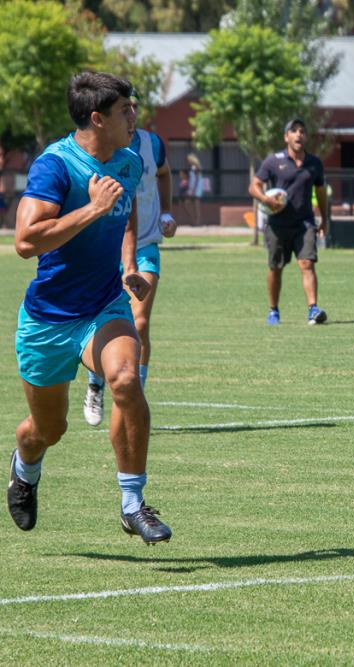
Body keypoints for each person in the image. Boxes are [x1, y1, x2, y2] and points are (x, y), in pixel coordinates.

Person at [10, 71, 171, 544]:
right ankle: (25, 467)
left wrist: (129, 264)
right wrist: (93, 209)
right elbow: (25, 241)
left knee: (125, 378)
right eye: (125, 110)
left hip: (104, 304)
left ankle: (133, 504)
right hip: (48, 319)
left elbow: (126, 212)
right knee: (47, 429)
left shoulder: (128, 161)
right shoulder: (55, 165)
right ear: (97, 119)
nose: (134, 116)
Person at [83, 121, 177, 427]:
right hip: (110, 248)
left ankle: (135, 397)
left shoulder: (153, 145)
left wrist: (167, 211)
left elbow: (164, 173)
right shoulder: (103, 147)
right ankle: (95, 384)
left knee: (140, 323)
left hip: (146, 246)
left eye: (132, 106)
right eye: (125, 106)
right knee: (105, 321)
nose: (130, 112)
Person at [249, 118, 330, 326]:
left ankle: (313, 309)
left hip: (305, 223)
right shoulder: (273, 161)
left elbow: (321, 192)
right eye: (294, 131)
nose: (298, 134)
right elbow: (254, 186)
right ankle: (273, 310)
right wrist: (266, 199)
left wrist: (324, 218)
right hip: (278, 225)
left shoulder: (314, 163)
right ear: (286, 137)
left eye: (302, 131)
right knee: (276, 268)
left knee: (307, 263)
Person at [183, 153, 202, 225]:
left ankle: (197, 222)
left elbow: (197, 179)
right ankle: (194, 219)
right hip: (191, 189)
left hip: (196, 189)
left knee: (196, 206)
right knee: (187, 204)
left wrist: (194, 189)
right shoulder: (191, 168)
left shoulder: (195, 168)